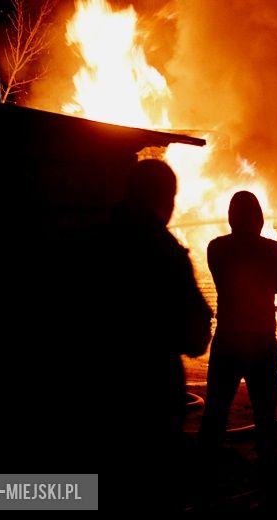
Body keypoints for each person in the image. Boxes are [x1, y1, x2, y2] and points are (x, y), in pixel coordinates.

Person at [100, 159, 213, 508]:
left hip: (98, 389)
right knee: (151, 488)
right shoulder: (165, 252)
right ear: (165, 199)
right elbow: (194, 337)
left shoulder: (92, 239)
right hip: (151, 390)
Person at [199, 191, 277, 483]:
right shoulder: (274, 250)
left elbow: (218, 276)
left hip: (228, 338)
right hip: (262, 339)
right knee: (265, 411)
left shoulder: (217, 247)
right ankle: (269, 467)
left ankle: (208, 469)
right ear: (259, 217)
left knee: (216, 409)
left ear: (231, 216)